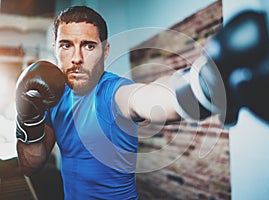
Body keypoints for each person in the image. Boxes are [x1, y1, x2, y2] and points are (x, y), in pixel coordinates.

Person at [15, 6, 183, 200]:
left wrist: (198, 88)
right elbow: (30, 166)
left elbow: (147, 97)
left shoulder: (113, 91)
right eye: (66, 45)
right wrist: (27, 118)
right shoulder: (53, 96)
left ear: (105, 51)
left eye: (88, 46)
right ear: (55, 49)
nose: (77, 58)